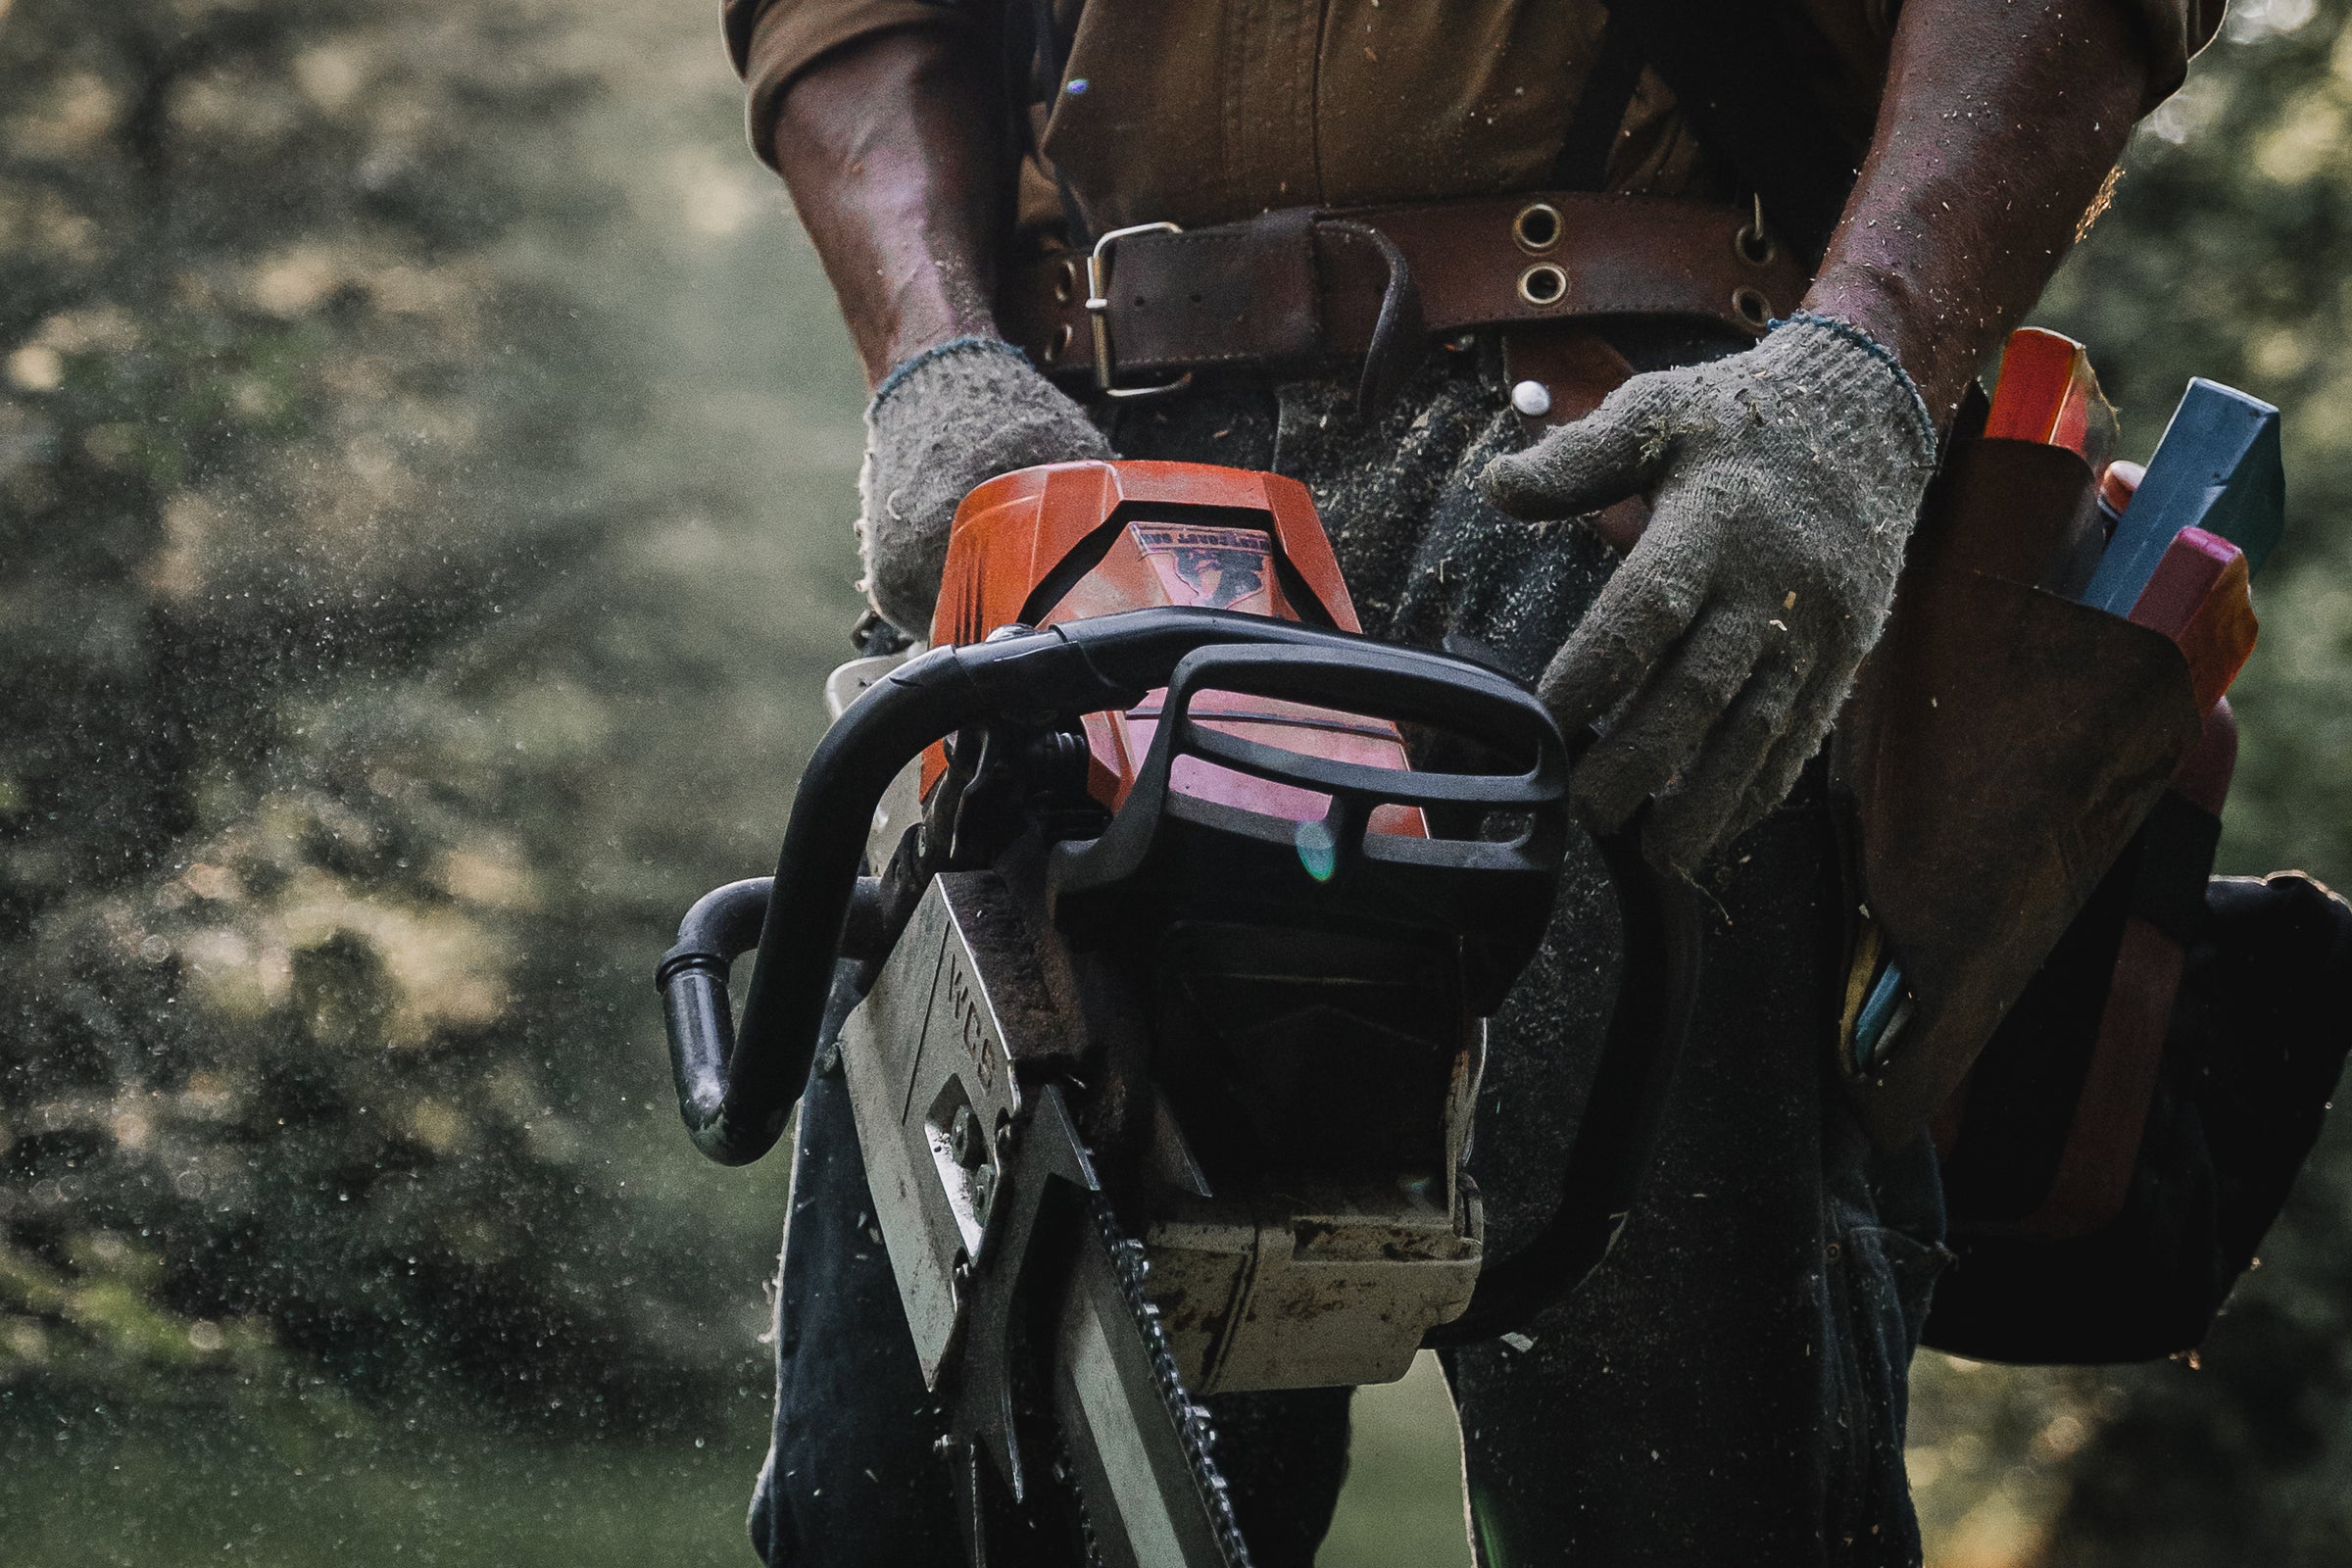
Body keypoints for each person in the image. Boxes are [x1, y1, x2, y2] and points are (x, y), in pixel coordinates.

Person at [720, 2, 2223, 1563]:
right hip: (1092, 510)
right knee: (921, 1497)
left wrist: (1862, 377)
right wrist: (936, 356)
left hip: (1633, 479)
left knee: (1673, 1492)